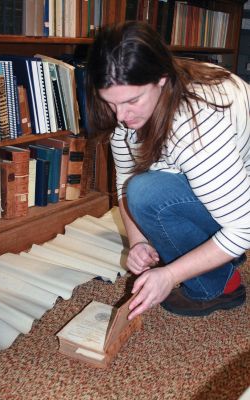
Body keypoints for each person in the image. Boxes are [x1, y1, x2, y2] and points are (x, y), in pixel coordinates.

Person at [86, 21, 250, 319]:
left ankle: (220, 285)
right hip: (225, 180)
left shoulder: (196, 123)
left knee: (148, 194)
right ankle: (217, 251)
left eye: (132, 100)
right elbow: (124, 182)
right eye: (110, 103)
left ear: (161, 79)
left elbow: (243, 228)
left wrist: (171, 275)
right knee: (140, 189)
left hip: (243, 196)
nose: (121, 116)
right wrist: (138, 241)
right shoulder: (125, 110)